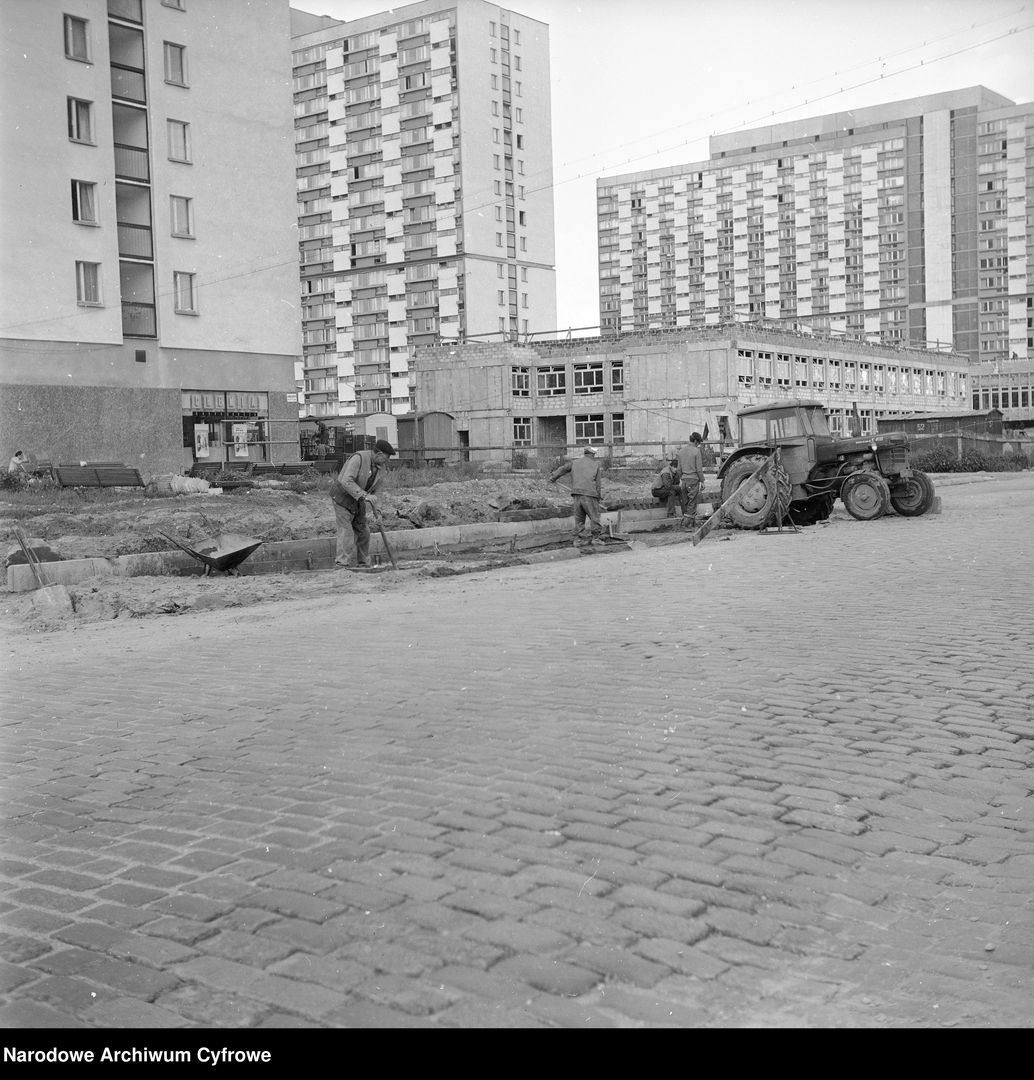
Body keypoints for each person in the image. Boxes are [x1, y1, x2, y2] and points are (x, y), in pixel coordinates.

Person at [330, 438, 395, 568]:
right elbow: (346, 481)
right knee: (346, 531)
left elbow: (376, 492)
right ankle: (341, 564)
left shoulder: (381, 468)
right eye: (386, 457)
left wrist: (378, 512)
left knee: (364, 532)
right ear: (379, 454)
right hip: (342, 498)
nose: (387, 461)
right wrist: (364, 495)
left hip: (358, 500)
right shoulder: (358, 458)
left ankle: (363, 563)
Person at [549, 445, 604, 548]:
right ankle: (596, 539)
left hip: (577, 494)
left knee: (579, 518)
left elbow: (563, 469)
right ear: (592, 454)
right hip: (590, 494)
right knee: (594, 517)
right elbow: (598, 483)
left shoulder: (575, 462)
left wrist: (553, 477)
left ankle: (578, 540)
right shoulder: (596, 464)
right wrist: (599, 496)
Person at [676, 432, 706, 525]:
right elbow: (699, 469)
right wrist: (702, 481)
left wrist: (680, 479)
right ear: (696, 441)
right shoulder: (696, 451)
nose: (698, 445)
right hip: (693, 480)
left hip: (684, 480)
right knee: (692, 503)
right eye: (699, 443)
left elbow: (678, 469)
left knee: (686, 502)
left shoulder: (681, 452)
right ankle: (687, 525)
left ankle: (689, 523)